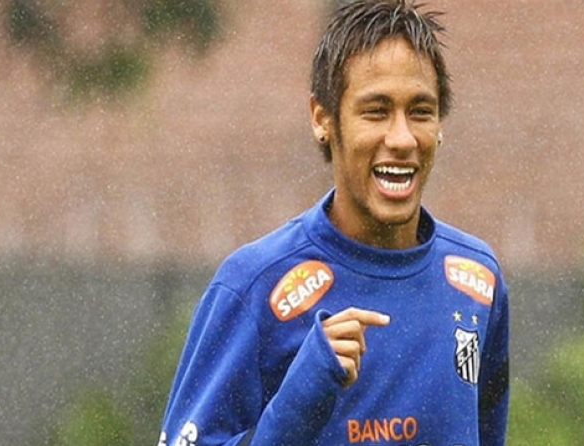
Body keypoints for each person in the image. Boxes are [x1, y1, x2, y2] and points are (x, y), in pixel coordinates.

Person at [156, 1, 510, 445]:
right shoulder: (254, 285)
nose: (402, 138)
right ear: (323, 119)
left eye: (420, 111)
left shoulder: (478, 281)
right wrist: (297, 402)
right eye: (376, 111)